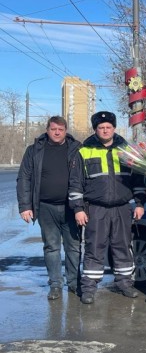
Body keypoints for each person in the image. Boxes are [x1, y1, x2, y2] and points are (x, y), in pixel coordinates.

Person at [69, 111, 146, 305]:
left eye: (108, 127)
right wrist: (78, 208)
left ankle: (125, 283)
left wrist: (139, 203)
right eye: (101, 128)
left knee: (123, 247)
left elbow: (138, 180)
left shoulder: (127, 150)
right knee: (94, 248)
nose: (105, 130)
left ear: (114, 128)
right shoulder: (84, 151)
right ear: (95, 129)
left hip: (122, 208)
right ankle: (89, 287)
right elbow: (75, 183)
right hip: (96, 208)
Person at [16, 116, 82, 300]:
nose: (57, 132)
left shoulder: (76, 149)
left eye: (61, 129)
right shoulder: (34, 150)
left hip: (71, 208)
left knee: (74, 247)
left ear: (66, 130)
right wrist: (25, 206)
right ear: (47, 129)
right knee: (51, 247)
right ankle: (55, 284)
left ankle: (74, 283)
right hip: (45, 208)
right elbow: (24, 178)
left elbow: (85, 178)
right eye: (53, 129)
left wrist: (83, 207)